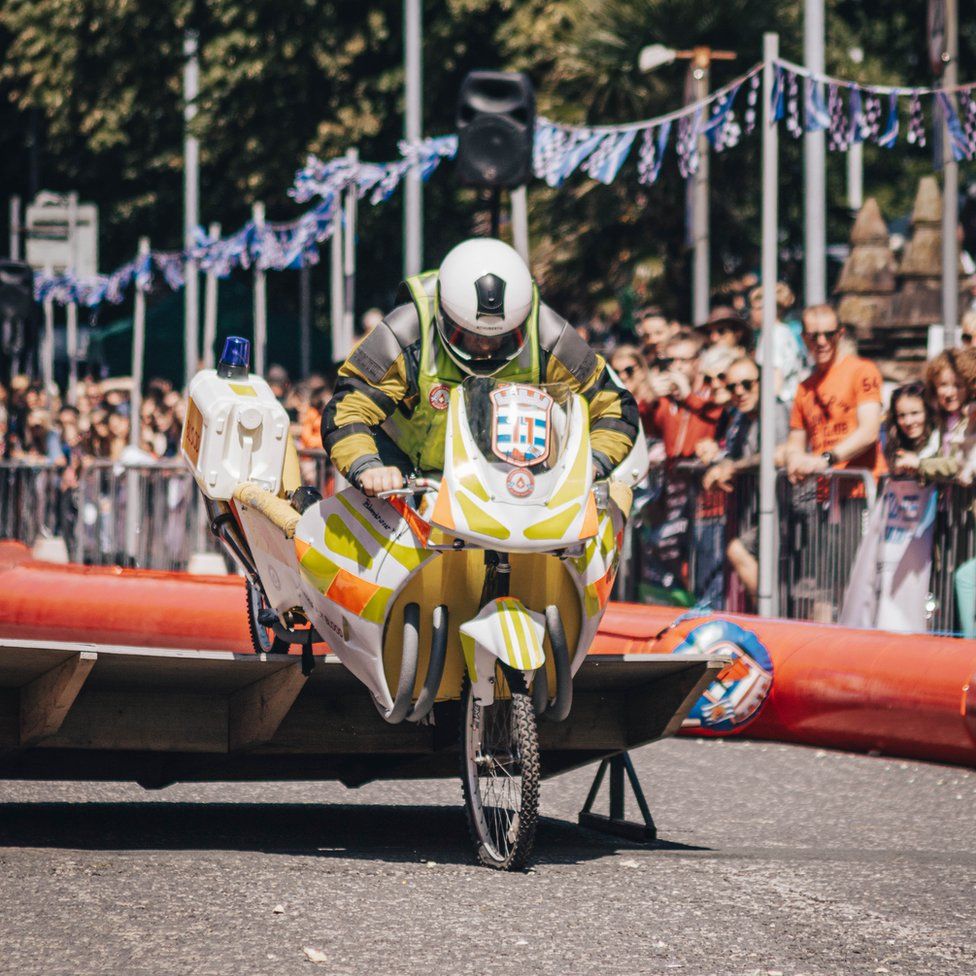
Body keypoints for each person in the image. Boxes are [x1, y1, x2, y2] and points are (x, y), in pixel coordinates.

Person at [321, 238, 639, 494]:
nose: (485, 346)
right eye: (469, 335)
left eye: (503, 337)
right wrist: (369, 467)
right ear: (445, 315)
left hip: (509, 484)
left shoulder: (550, 335)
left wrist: (592, 463)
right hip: (405, 473)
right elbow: (348, 410)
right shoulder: (404, 330)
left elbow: (614, 406)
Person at [701, 357, 790, 603]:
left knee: (737, 550)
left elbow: (779, 453)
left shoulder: (775, 411)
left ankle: (769, 613)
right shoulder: (740, 419)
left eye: (747, 384)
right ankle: (768, 612)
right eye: (732, 387)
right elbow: (731, 458)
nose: (739, 392)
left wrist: (733, 468)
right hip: (759, 510)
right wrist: (716, 465)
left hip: (787, 509)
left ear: (761, 383)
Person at [784, 304, 886, 486]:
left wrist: (826, 459)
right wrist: (794, 460)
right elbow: (795, 443)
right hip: (825, 493)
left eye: (829, 334)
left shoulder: (863, 371)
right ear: (804, 338)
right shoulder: (804, 388)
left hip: (861, 491)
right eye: (813, 336)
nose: (822, 342)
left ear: (840, 334)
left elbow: (869, 432)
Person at [918, 347, 976, 485]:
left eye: (958, 385)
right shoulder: (940, 421)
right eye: (943, 385)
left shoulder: (971, 420)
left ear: (969, 388)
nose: (950, 393)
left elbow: (959, 462)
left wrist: (920, 465)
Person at [748, 283, 804, 405]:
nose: (752, 313)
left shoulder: (774, 334)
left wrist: (768, 407)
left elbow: (775, 377)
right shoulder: (782, 331)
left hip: (779, 404)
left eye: (757, 308)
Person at [882, 381, 938, 476]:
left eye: (915, 413)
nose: (908, 422)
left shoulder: (939, 442)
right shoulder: (890, 444)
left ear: (928, 413)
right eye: (901, 415)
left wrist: (919, 463)